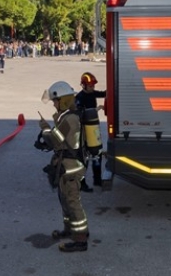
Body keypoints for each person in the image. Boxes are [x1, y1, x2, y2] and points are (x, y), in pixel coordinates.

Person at [39, 81, 89, 252]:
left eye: (55, 101)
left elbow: (55, 140)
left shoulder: (71, 119)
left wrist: (45, 129)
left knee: (73, 202)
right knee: (65, 201)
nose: (53, 104)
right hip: (66, 167)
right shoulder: (67, 117)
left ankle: (80, 239)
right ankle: (69, 230)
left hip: (71, 169)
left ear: (64, 101)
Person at [75, 72, 107, 191]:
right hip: (84, 131)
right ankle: (81, 183)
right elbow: (78, 114)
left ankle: (97, 181)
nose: (93, 88)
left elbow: (104, 93)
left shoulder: (92, 93)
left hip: (94, 129)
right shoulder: (79, 98)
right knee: (85, 158)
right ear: (83, 86)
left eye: (93, 86)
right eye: (90, 86)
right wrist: (95, 109)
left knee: (97, 155)